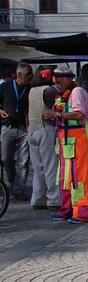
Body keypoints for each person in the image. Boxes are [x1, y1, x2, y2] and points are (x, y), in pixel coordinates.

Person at [44, 67, 88, 224]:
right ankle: (67, 209)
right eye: (55, 81)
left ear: (68, 79)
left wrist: (57, 114)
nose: (56, 84)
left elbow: (80, 114)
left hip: (78, 140)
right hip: (65, 141)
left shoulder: (77, 92)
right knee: (65, 177)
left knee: (79, 177)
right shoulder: (63, 95)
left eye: (59, 80)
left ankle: (81, 212)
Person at [27, 68, 61, 211]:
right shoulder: (49, 90)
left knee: (37, 168)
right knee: (51, 166)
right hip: (45, 129)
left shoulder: (32, 90)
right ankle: (54, 200)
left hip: (32, 129)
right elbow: (58, 109)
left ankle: (37, 199)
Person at [0, 62, 34, 200]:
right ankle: (13, 183)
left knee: (24, 161)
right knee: (7, 159)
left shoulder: (30, 89)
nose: (30, 77)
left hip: (23, 129)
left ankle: (19, 189)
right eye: (28, 74)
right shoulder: (5, 87)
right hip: (7, 127)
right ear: (19, 75)